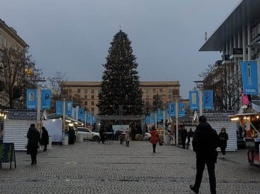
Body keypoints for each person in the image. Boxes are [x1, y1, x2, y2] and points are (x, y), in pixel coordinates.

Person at [190, 115, 219, 194]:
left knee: (199, 172)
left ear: (199, 121)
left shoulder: (197, 131)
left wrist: (197, 150)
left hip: (201, 154)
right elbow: (217, 142)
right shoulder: (212, 131)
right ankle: (213, 191)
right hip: (211, 154)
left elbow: (194, 143)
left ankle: (196, 187)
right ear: (206, 121)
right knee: (211, 173)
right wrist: (212, 148)